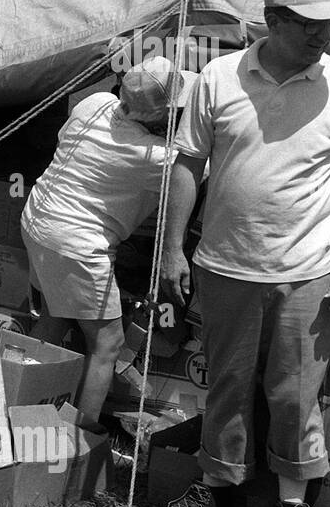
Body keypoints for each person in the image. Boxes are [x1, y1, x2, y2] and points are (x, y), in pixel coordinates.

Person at [145, 0, 330, 507]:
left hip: (309, 274)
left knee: (296, 398)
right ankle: (216, 493)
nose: (325, 34)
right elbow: (187, 165)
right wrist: (169, 249)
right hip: (224, 268)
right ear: (272, 20)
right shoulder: (217, 78)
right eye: (310, 24)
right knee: (226, 389)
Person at [20, 56, 198, 424]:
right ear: (158, 116)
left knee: (55, 315)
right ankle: (81, 437)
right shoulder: (154, 157)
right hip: (76, 243)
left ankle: (22, 407)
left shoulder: (94, 102)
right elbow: (199, 172)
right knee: (107, 343)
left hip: (38, 219)